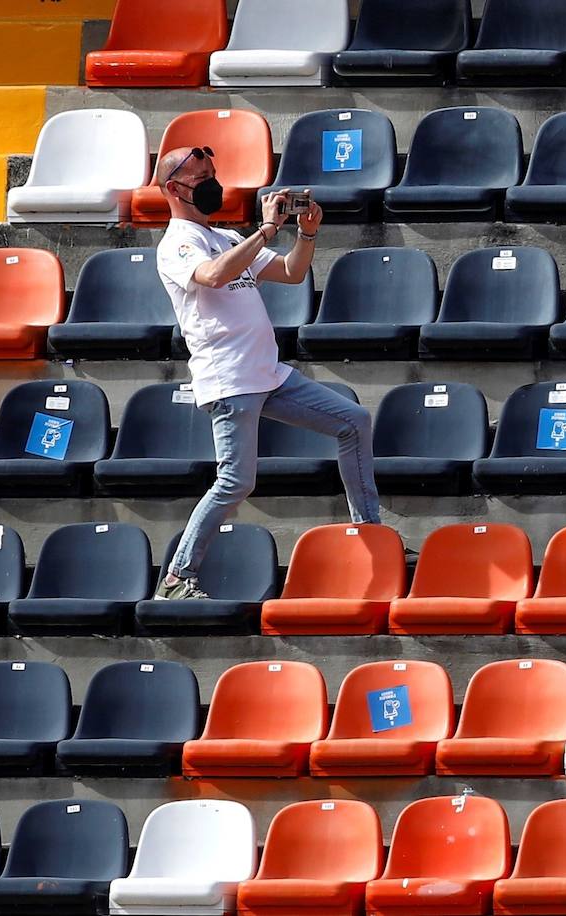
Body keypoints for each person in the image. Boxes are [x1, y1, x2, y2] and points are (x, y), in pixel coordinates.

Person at [152, 146, 381, 600]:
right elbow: (214, 277)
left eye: (213, 174)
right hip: (231, 379)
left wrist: (306, 234)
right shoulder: (178, 243)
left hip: (268, 374)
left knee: (353, 421)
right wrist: (267, 229)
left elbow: (292, 273)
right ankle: (178, 577)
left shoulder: (226, 237)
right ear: (174, 189)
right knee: (236, 481)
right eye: (202, 178)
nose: (212, 184)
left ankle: (370, 533)